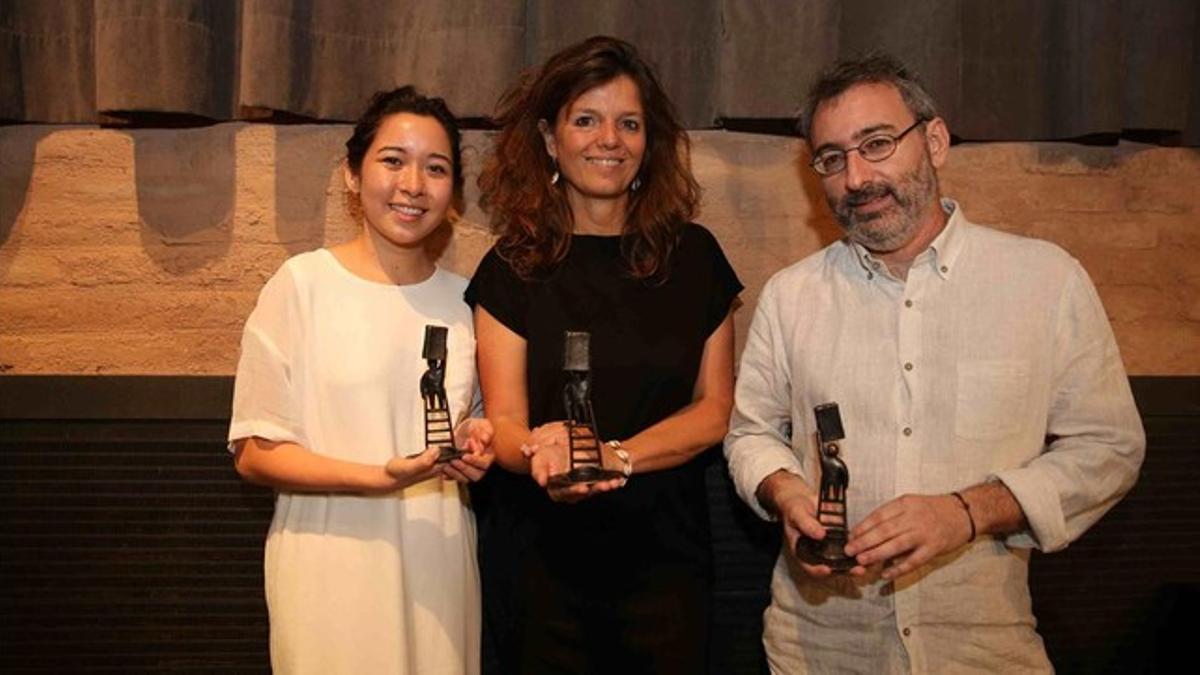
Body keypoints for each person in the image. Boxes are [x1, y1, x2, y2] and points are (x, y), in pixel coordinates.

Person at [724, 54, 1145, 673]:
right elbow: (751, 432)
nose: (857, 176)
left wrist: (968, 511)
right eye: (832, 158)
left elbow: (1109, 447)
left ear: (936, 141)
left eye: (877, 143)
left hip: (983, 650)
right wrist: (786, 493)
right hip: (819, 650)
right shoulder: (792, 295)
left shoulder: (1044, 280)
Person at [465, 36, 742, 674]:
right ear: (548, 138)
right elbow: (504, 425)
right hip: (540, 570)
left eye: (629, 123)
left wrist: (614, 456)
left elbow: (714, 411)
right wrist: (545, 449)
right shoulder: (510, 266)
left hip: (665, 564)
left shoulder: (695, 258)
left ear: (650, 142)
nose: (608, 139)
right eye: (585, 119)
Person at [228, 86, 494, 675]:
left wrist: (479, 443)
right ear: (353, 174)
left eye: (436, 168)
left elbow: (472, 422)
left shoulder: (465, 303)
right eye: (392, 161)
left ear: (453, 193)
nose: (413, 185)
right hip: (329, 566)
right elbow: (254, 450)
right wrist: (378, 477)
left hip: (438, 564)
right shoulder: (302, 285)